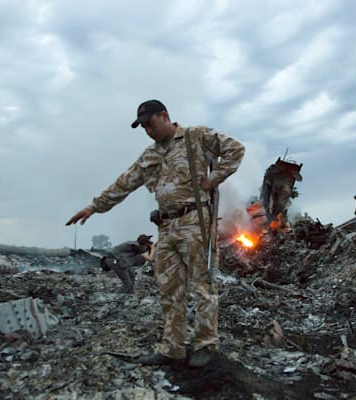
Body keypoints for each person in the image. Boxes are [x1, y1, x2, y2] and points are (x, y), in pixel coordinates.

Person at [66, 99, 245, 368]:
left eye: (150, 124)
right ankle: (171, 349)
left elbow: (235, 149)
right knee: (169, 289)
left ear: (165, 116)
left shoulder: (195, 136)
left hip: (195, 222)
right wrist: (94, 206)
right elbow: (124, 183)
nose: (148, 131)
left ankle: (205, 344)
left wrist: (214, 178)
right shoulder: (150, 155)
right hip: (166, 227)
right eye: (144, 127)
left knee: (203, 285)